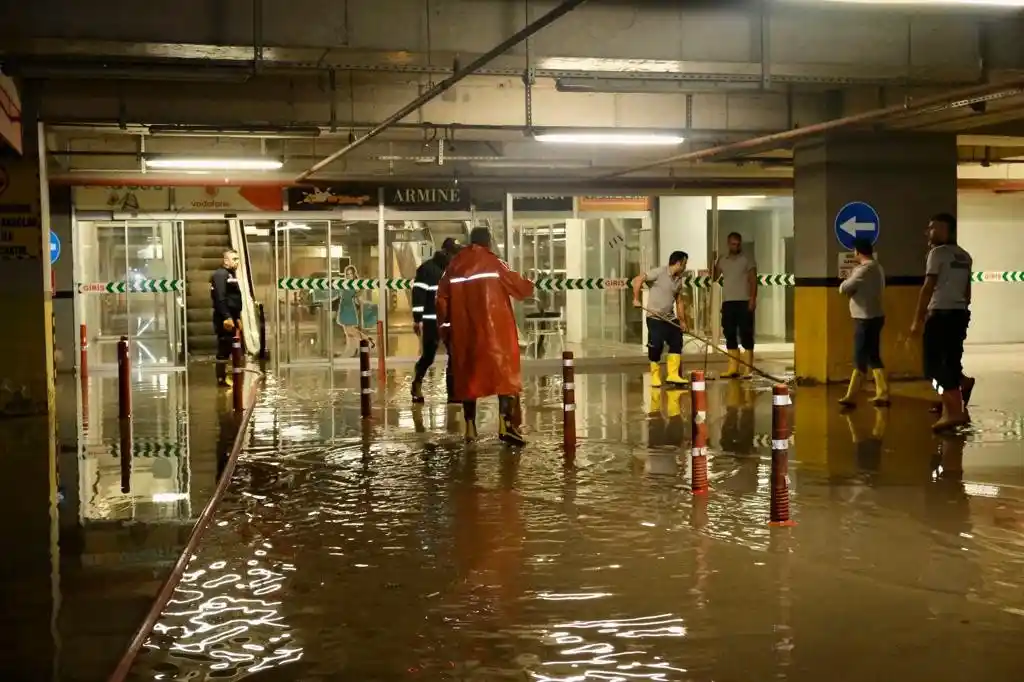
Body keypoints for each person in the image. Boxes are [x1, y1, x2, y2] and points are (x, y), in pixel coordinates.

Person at [436, 227, 534, 445]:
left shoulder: (454, 266)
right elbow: (521, 289)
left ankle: (470, 429)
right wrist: (531, 282)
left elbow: (441, 299)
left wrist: (446, 329)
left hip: (465, 334)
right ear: (488, 242)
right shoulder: (494, 263)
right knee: (504, 378)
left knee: (468, 379)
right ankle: (504, 426)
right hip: (495, 335)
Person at [911, 212, 975, 432]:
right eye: (930, 228)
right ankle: (961, 390)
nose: (930, 232)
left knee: (933, 367)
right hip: (959, 314)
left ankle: (954, 412)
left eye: (935, 228)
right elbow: (967, 291)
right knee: (951, 361)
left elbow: (928, 287)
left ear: (949, 231)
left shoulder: (936, 254)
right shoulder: (964, 256)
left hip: (940, 314)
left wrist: (918, 319)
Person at [837, 238, 889, 408]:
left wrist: (846, 285)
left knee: (859, 356)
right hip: (875, 316)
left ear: (858, 252)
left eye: (854, 251)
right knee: (873, 355)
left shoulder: (864, 270)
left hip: (864, 318)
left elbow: (844, 288)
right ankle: (883, 393)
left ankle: (851, 395)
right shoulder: (877, 267)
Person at [411, 238, 461, 403]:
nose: (455, 257)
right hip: (432, 320)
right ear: (446, 252)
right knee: (429, 355)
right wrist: (417, 319)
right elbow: (419, 294)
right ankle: (417, 383)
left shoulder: (456, 270)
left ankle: (452, 394)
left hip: (450, 319)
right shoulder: (427, 269)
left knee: (454, 354)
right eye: (453, 253)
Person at [631, 251, 689, 388]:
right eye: (684, 264)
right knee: (656, 345)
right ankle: (655, 376)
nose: (685, 267)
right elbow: (638, 280)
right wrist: (636, 299)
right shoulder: (659, 272)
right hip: (655, 317)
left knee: (677, 341)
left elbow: (679, 301)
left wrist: (682, 320)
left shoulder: (678, 279)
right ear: (678, 263)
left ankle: (673, 375)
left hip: (669, 317)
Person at [713, 232, 758, 379]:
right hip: (728, 302)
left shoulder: (747, 260)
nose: (736, 246)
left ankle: (748, 368)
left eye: (738, 244)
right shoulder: (723, 260)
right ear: (728, 244)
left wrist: (752, 299)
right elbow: (714, 277)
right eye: (733, 244)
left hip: (744, 301)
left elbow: (753, 280)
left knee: (746, 333)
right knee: (730, 333)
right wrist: (713, 262)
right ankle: (733, 368)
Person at [210, 249, 243, 387]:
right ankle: (221, 379)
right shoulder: (220, 275)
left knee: (230, 347)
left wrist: (237, 317)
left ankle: (227, 376)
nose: (237, 261)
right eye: (233, 259)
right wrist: (227, 317)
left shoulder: (230, 274)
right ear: (225, 261)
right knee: (224, 347)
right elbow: (220, 298)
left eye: (237, 259)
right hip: (224, 318)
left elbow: (233, 298)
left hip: (231, 317)